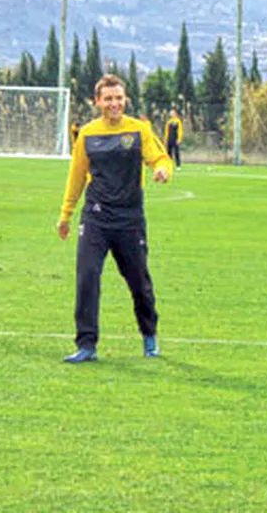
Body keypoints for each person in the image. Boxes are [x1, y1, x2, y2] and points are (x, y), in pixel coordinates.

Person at [57, 74, 172, 363]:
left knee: (139, 282)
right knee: (87, 278)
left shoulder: (139, 130)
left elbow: (159, 157)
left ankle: (149, 335)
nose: (114, 103)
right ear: (97, 102)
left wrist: (162, 170)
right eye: (108, 98)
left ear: (125, 99)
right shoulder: (87, 134)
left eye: (118, 98)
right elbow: (76, 177)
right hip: (95, 217)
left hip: (129, 219)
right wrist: (66, 214)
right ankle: (86, 344)